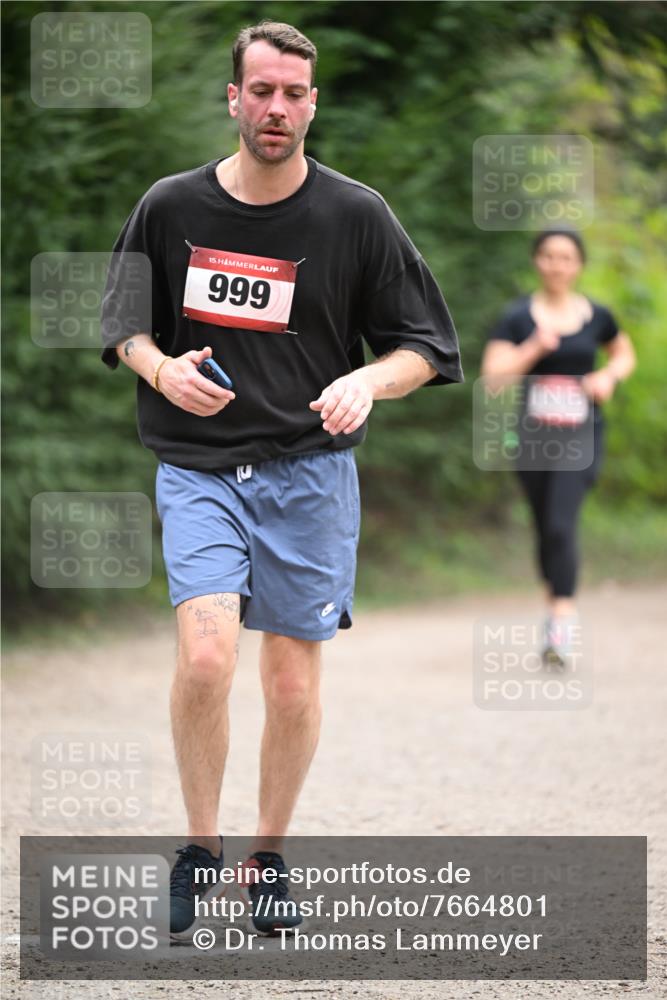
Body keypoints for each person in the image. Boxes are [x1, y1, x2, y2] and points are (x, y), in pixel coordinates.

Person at [100, 20, 463, 940]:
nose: (276, 108)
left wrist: (367, 381)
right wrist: (160, 370)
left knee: (292, 687)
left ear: (312, 103)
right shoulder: (170, 206)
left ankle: (266, 858)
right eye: (260, 90)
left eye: (293, 94)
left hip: (309, 477)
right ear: (234, 98)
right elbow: (122, 324)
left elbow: (426, 346)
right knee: (206, 658)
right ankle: (199, 847)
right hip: (200, 470)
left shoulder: (356, 215)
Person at [480, 228, 635, 665]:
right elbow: (493, 379)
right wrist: (533, 348)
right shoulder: (517, 317)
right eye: (548, 256)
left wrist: (608, 376)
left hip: (581, 437)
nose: (557, 265)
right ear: (536, 261)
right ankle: (555, 610)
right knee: (546, 527)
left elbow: (623, 354)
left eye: (566, 257)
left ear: (578, 265)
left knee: (561, 525)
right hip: (533, 439)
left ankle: (561, 626)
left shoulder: (598, 316)